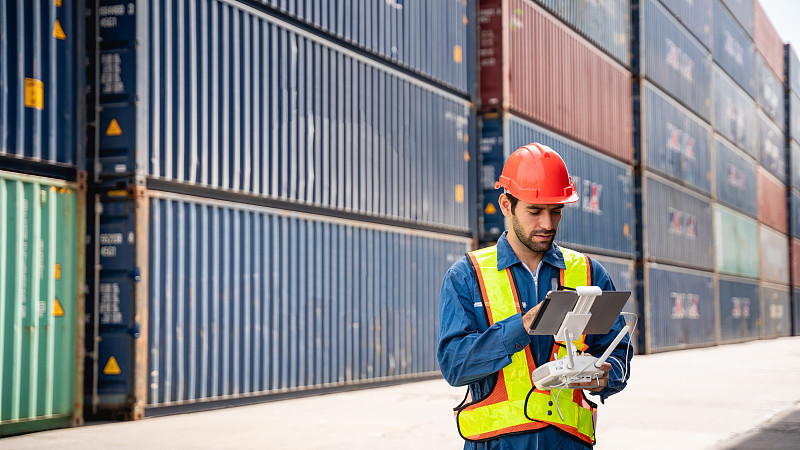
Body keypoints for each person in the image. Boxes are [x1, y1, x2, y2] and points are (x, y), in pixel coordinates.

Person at [437, 142, 632, 449]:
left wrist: (608, 376)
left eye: (556, 212)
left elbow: (618, 351)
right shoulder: (467, 276)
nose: (547, 224)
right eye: (535, 211)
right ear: (505, 205)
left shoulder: (589, 273)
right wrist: (523, 324)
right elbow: (455, 367)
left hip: (568, 444)